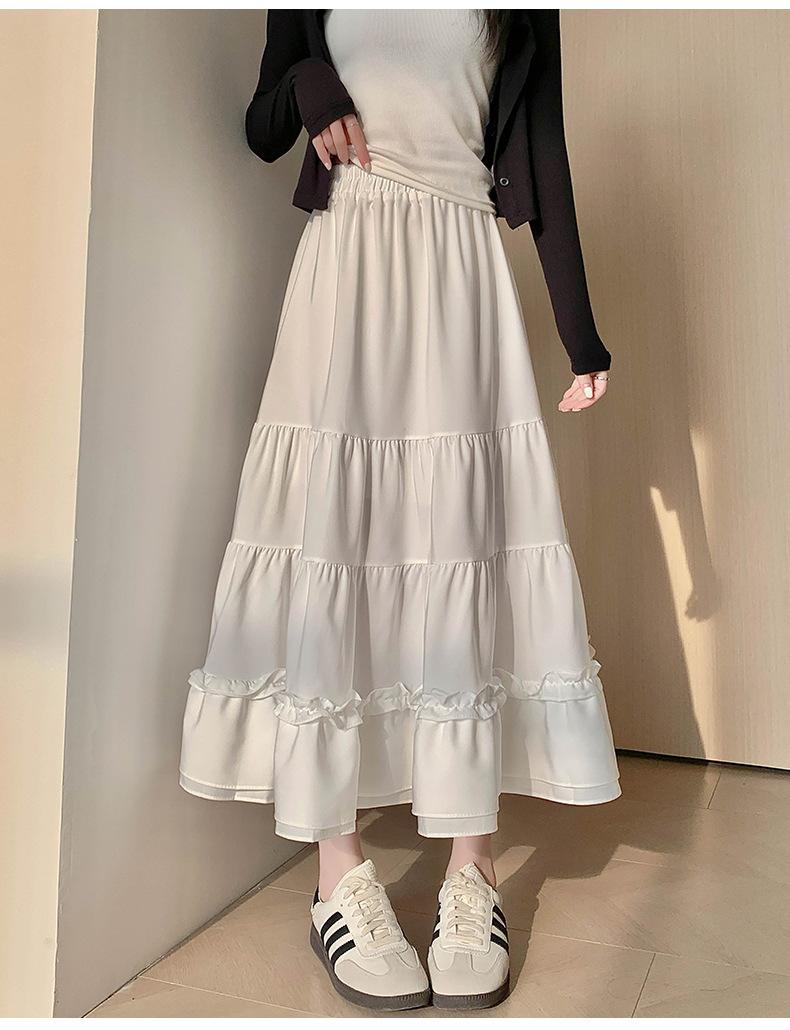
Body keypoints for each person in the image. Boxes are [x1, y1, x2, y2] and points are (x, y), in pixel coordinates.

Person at [179, 9, 620, 1011]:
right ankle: (338, 877)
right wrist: (310, 84)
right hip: (349, 259)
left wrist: (581, 335)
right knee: (339, 537)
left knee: (463, 540)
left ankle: (472, 870)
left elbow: (541, 155)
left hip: (462, 269)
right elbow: (259, 127)